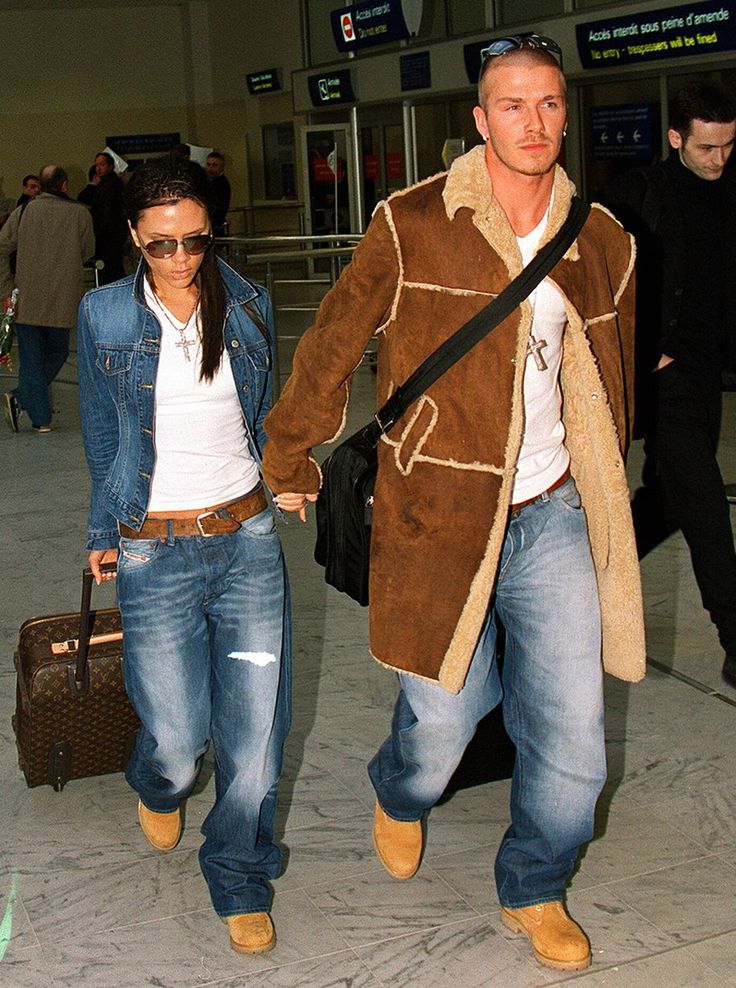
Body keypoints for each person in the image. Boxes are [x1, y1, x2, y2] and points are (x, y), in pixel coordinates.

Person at [262, 35, 645, 973]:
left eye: (550, 104)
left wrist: (608, 479)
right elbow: (335, 337)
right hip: (436, 510)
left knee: (574, 739)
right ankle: (398, 789)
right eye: (512, 105)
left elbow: (614, 370)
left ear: (567, 113)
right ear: (479, 120)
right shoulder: (414, 221)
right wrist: (291, 451)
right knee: (441, 725)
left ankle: (535, 886)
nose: (534, 123)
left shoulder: (601, 238)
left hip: (550, 511)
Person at [77, 157, 291, 955]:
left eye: (193, 242)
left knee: (255, 734)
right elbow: (103, 433)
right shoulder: (102, 314)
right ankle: (157, 782)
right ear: (133, 234)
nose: (178, 259)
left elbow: (265, 415)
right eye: (160, 243)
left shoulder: (248, 304)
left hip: (246, 543)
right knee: (175, 735)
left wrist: (288, 475)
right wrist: (103, 530)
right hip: (153, 548)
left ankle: (239, 874)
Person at [605, 82, 736, 689]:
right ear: (676, 138)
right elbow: (593, 271)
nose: (719, 159)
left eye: (729, 145)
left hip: (709, 376)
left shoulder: (730, 188)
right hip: (667, 380)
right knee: (706, 505)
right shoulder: (642, 194)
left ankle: (579, 579)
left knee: (667, 501)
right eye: (707, 147)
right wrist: (640, 347)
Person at [0, 164, 94, 432]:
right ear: (64, 186)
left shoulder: (24, 211)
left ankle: (23, 401)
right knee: (58, 351)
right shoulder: (80, 214)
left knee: (31, 357)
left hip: (26, 299)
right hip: (63, 300)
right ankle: (36, 415)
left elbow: (1, 248)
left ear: (40, 185)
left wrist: (6, 291)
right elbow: (88, 251)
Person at [90, 150, 128, 283]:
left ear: (110, 166)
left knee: (110, 272)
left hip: (108, 237)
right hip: (114, 236)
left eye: (102, 165)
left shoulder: (108, 185)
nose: (98, 168)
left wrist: (98, 232)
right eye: (96, 165)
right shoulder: (114, 183)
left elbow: (106, 213)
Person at [206, 151, 231, 234]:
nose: (210, 168)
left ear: (222, 168)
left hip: (215, 227)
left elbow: (218, 208)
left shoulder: (221, 184)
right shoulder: (212, 181)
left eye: (214, 165)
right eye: (208, 164)